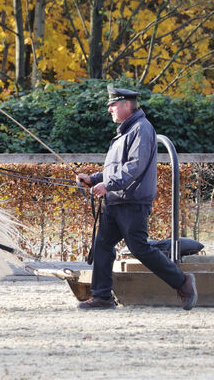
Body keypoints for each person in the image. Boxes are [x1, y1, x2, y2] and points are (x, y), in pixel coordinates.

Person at [75, 85, 197, 310]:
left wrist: (107, 184)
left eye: (112, 105)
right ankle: (102, 296)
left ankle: (183, 281)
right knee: (102, 245)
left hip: (132, 202)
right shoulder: (126, 132)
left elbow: (134, 166)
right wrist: (93, 179)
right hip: (117, 200)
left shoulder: (142, 129)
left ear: (126, 105)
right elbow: (116, 169)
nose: (109, 109)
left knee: (139, 248)